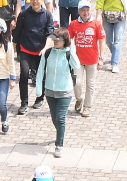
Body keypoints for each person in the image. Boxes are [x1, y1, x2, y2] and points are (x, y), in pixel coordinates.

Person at [34, 28, 78, 158]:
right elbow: (41, 71)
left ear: (65, 41)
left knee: (60, 118)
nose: (55, 42)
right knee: (54, 118)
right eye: (54, 39)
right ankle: (60, 133)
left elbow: (76, 66)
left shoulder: (68, 53)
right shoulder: (48, 53)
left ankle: (59, 144)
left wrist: (73, 50)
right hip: (50, 91)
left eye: (58, 40)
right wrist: (39, 90)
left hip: (65, 91)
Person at [13, 0, 55, 115]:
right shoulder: (24, 14)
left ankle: (39, 98)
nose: (35, 1)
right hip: (25, 49)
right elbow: (17, 32)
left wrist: (45, 48)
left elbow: (50, 34)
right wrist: (14, 48)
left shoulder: (47, 15)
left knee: (40, 76)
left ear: (42, 0)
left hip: (40, 51)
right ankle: (24, 103)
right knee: (24, 75)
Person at [67, 0, 108, 118]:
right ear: (79, 11)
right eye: (83, 10)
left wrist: (101, 58)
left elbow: (102, 40)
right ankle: (79, 99)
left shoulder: (96, 24)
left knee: (90, 85)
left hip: (92, 60)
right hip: (78, 60)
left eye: (88, 10)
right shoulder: (74, 24)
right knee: (77, 82)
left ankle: (87, 107)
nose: (86, 13)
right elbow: (69, 40)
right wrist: (69, 54)